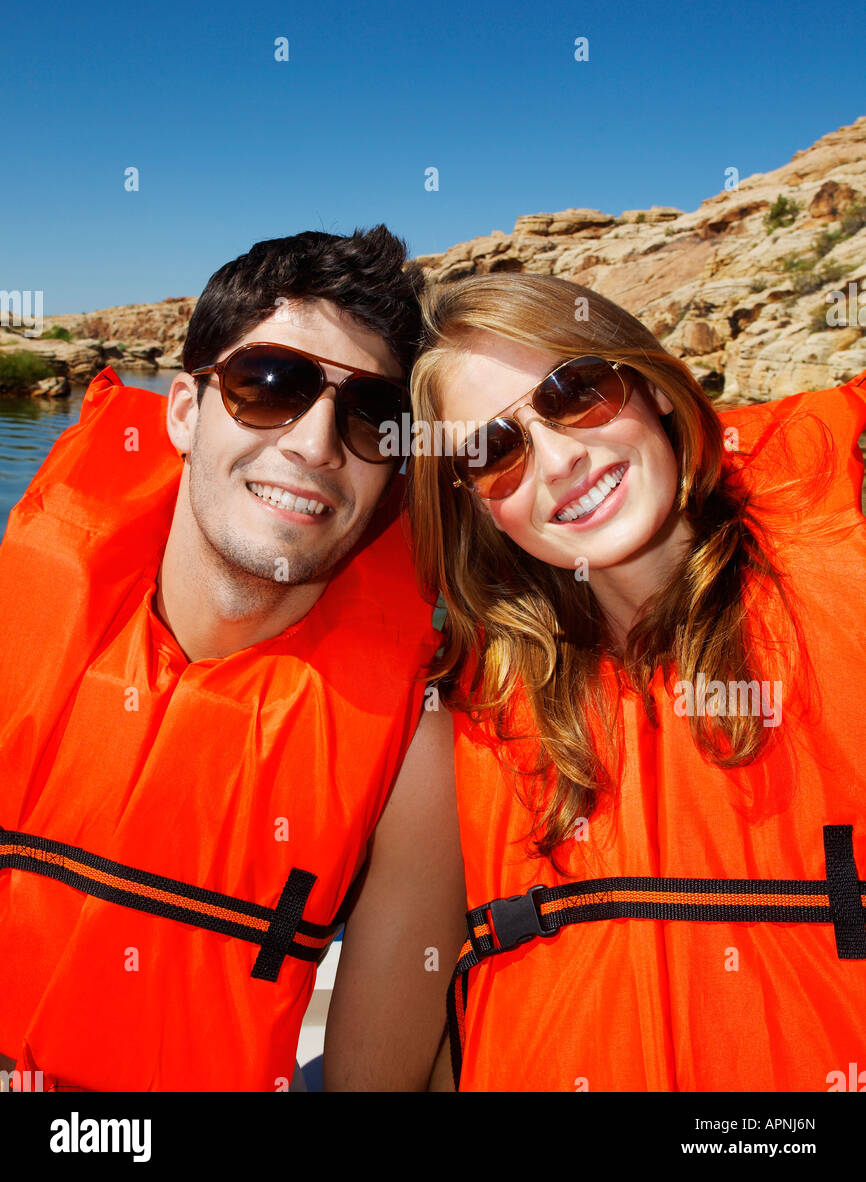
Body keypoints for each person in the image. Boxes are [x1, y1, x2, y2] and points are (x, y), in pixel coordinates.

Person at [0, 227, 465, 1093]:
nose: (316, 444)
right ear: (184, 410)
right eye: (269, 387)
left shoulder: (416, 752)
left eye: (370, 414)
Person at [408, 271, 866, 1092]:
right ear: (474, 504)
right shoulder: (472, 710)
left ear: (650, 385)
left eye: (575, 391)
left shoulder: (848, 572)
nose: (559, 460)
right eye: (491, 450)